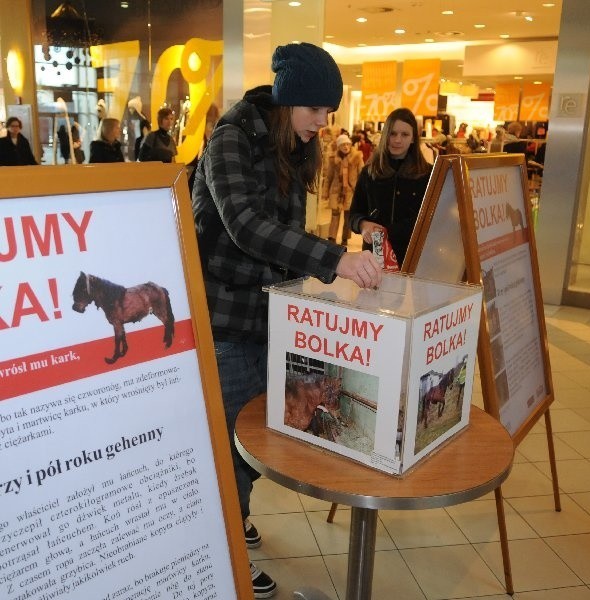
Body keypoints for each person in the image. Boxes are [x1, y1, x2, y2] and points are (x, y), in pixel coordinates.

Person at [191, 41, 381, 599]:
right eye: (315, 109)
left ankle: (237, 519)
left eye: (329, 112)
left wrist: (307, 300)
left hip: (265, 315)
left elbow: (287, 236)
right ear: (287, 98)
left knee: (249, 436)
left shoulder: (294, 147)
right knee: (225, 441)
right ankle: (225, 555)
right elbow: (245, 225)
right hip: (222, 317)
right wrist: (334, 258)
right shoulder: (231, 137)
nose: (323, 123)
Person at [349, 107, 433, 267]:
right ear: (385, 134)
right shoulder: (370, 172)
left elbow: (429, 220)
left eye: (405, 134)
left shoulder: (427, 174)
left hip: (413, 258)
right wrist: (362, 224)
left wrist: (392, 231)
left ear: (413, 138)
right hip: (375, 257)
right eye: (393, 133)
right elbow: (353, 214)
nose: (397, 140)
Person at [323, 133, 364, 245]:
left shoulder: (357, 157)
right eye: (343, 145)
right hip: (336, 191)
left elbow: (362, 175)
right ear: (338, 146)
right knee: (335, 215)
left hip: (350, 191)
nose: (345, 147)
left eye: (347, 144)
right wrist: (325, 192)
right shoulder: (333, 159)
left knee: (348, 217)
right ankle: (332, 238)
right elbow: (329, 177)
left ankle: (345, 238)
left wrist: (362, 191)